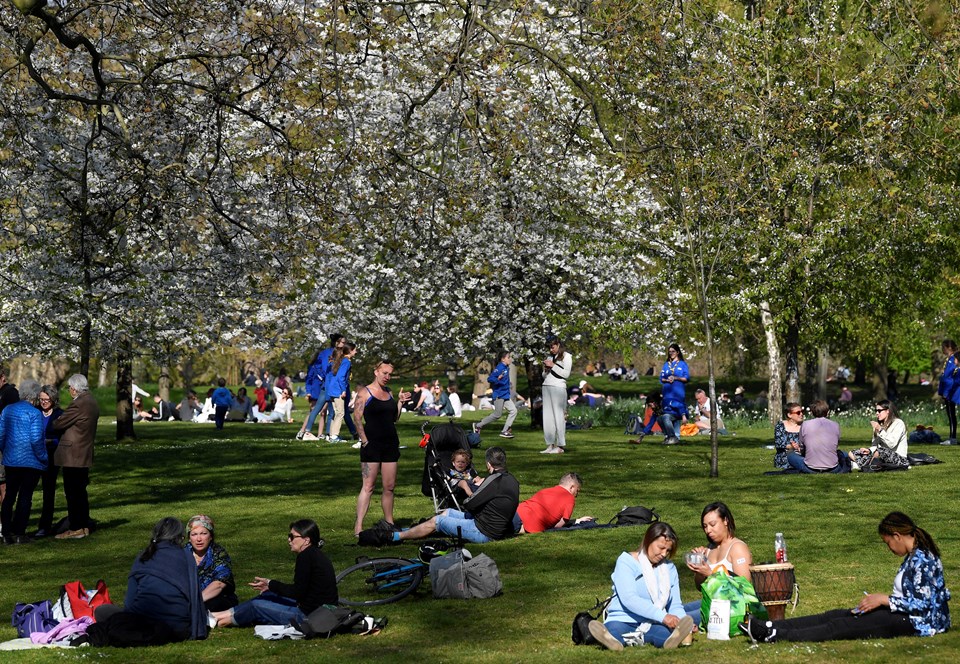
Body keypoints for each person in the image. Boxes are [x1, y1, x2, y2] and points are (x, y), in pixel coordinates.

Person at [742, 512, 950, 643]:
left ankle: (774, 635)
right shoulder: (914, 556)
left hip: (916, 622)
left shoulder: (924, 560)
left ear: (897, 535)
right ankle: (770, 626)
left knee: (842, 626)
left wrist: (884, 600)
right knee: (834, 615)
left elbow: (924, 605)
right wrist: (883, 602)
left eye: (888, 543)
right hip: (902, 614)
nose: (889, 548)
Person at [588, 522, 700, 650]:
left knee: (663, 634)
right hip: (624, 618)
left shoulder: (670, 568)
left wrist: (682, 622)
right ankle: (613, 640)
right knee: (614, 630)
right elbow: (629, 599)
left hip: (652, 622)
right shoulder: (626, 561)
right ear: (648, 540)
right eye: (661, 548)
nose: (664, 554)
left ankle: (667, 640)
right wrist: (663, 617)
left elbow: (675, 605)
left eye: (668, 550)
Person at [93, 517, 207, 643]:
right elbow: (194, 598)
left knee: (101, 610)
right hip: (178, 628)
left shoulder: (145, 555)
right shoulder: (186, 556)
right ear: (180, 537)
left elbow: (129, 603)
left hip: (143, 623)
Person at [210, 519, 338, 628]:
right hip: (316, 610)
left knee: (256, 606)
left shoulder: (306, 557)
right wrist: (270, 586)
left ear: (306, 540)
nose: (289, 540)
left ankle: (219, 620)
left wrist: (271, 584)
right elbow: (303, 590)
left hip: (310, 616)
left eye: (292, 536)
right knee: (267, 595)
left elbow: (297, 592)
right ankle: (218, 615)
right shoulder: (314, 554)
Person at [391, 446, 519, 544]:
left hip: (484, 532)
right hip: (494, 525)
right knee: (448, 512)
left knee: (438, 521)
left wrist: (472, 489)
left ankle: (396, 537)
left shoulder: (493, 480)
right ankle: (408, 530)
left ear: (488, 464)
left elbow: (470, 504)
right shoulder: (512, 480)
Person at [352, 360, 411, 535]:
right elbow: (357, 418)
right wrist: (364, 440)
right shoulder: (364, 393)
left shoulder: (389, 392)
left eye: (390, 374)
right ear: (376, 372)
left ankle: (389, 523)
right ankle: (359, 526)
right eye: (384, 373)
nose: (387, 377)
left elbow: (394, 418)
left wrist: (399, 403)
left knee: (389, 487)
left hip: (390, 443)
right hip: (371, 445)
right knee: (368, 486)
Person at [51, 374, 99, 539]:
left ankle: (76, 527)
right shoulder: (92, 401)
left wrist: (57, 419)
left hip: (73, 455)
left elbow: (58, 423)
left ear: (73, 388)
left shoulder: (78, 403)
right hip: (84, 452)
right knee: (80, 491)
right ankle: (83, 525)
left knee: (72, 492)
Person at [0, 379, 46, 544]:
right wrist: (44, 457)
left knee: (9, 496)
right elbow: (36, 440)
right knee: (25, 497)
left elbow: (1, 436)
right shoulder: (34, 413)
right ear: (34, 395)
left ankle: (6, 533)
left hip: (11, 461)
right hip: (30, 461)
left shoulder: (7, 410)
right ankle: (19, 532)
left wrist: (6, 451)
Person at [685, 502, 753, 586]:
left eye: (712, 524)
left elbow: (744, 587)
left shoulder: (737, 548)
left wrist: (710, 574)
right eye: (705, 526)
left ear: (725, 521)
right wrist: (699, 570)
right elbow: (699, 586)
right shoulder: (708, 549)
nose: (708, 530)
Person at [185, 514, 239, 612]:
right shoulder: (182, 554)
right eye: (194, 534)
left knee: (212, 604)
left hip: (217, 598)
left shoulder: (219, 553)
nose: (199, 539)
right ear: (189, 538)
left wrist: (196, 602)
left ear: (211, 536)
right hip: (188, 598)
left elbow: (219, 583)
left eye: (203, 533)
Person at [512, 472, 594, 534]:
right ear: (572, 487)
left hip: (515, 511)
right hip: (523, 523)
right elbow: (559, 525)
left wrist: (577, 520)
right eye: (577, 491)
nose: (576, 495)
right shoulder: (569, 498)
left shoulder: (546, 491)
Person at [298, 334, 344, 440]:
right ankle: (315, 432)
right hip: (330, 385)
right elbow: (318, 367)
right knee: (323, 409)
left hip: (328, 384)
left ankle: (325, 433)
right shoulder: (329, 353)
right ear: (337, 342)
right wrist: (324, 376)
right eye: (342, 342)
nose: (344, 344)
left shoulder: (336, 353)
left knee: (327, 410)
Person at [34, 384, 64, 537]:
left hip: (52, 457)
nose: (43, 402)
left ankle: (45, 526)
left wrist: (51, 441)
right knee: (27, 491)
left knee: (48, 492)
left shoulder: (60, 414)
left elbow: (62, 436)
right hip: (34, 457)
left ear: (53, 399)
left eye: (46, 399)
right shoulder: (36, 412)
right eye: (41, 399)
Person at [787, 399, 847, 473]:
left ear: (812, 413)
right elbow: (835, 445)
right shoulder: (835, 425)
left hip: (810, 469)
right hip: (833, 468)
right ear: (827, 412)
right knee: (843, 453)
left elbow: (802, 448)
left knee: (790, 455)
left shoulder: (805, 424)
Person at [850, 399, 909, 470]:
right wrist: (869, 450)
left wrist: (880, 430)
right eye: (876, 411)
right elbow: (874, 445)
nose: (877, 413)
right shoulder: (879, 425)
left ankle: (861, 465)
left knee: (881, 451)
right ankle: (864, 465)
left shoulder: (898, 423)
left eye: (879, 411)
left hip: (899, 458)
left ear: (888, 411)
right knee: (853, 452)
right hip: (879, 455)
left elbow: (891, 444)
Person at [474, 351, 517, 439]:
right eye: (508, 357)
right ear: (503, 359)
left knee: (513, 411)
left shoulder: (506, 367)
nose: (510, 359)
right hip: (499, 395)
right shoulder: (500, 367)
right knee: (497, 414)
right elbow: (490, 379)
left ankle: (505, 431)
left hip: (505, 395)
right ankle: (478, 425)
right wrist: (498, 379)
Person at [541, 336, 573, 454]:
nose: (551, 350)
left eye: (552, 347)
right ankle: (550, 444)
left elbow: (566, 374)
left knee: (559, 417)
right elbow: (544, 376)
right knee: (547, 418)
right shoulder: (550, 357)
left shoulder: (567, 356)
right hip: (547, 386)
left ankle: (560, 446)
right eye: (549, 347)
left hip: (558, 388)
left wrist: (553, 366)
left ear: (559, 345)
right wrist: (546, 369)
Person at [324, 342, 357, 443]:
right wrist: (343, 390)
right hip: (338, 390)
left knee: (335, 413)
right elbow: (341, 376)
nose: (356, 352)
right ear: (350, 351)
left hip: (332, 389)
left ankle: (331, 435)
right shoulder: (346, 361)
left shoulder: (342, 360)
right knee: (340, 413)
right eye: (355, 350)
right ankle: (334, 436)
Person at [658, 344, 689, 446]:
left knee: (676, 413)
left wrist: (676, 378)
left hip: (678, 393)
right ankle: (669, 436)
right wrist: (667, 379)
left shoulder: (683, 364)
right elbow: (661, 378)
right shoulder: (666, 364)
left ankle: (675, 436)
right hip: (667, 393)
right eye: (669, 352)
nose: (671, 353)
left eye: (673, 351)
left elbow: (686, 378)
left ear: (678, 352)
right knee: (666, 415)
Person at [938, 339, 959, 446]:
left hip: (951, 391)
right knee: (950, 414)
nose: (942, 349)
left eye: (943, 347)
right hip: (949, 390)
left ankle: (952, 438)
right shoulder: (950, 358)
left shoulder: (953, 359)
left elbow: (949, 378)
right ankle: (952, 437)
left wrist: (946, 392)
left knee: (951, 414)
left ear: (948, 347)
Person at [773, 402, 803, 469]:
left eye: (802, 412)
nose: (801, 414)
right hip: (784, 457)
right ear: (789, 415)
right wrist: (791, 446)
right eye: (798, 412)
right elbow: (778, 444)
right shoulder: (780, 426)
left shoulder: (804, 426)